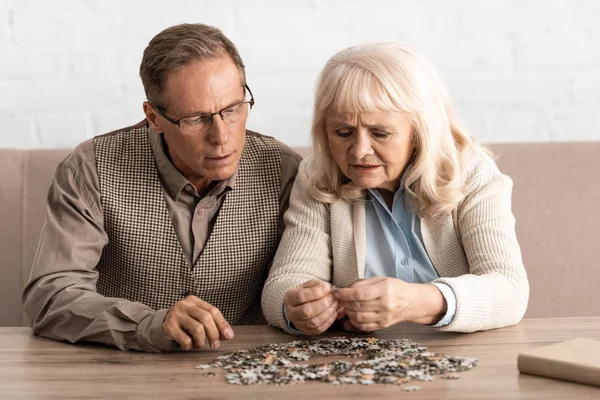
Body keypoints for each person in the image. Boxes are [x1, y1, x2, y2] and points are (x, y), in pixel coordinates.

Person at [22, 23, 301, 352]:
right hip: (122, 369)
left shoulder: (285, 170)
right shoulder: (89, 170)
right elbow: (51, 295)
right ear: (153, 117)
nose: (222, 137)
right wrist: (145, 324)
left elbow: (304, 276)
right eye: (196, 119)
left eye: (232, 109)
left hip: (246, 366)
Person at [262, 42, 529, 335]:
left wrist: (416, 302)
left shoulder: (473, 174)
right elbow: (283, 284)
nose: (359, 151)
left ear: (419, 132)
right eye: (343, 132)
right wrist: (296, 307)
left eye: (380, 133)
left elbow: (510, 289)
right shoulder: (317, 175)